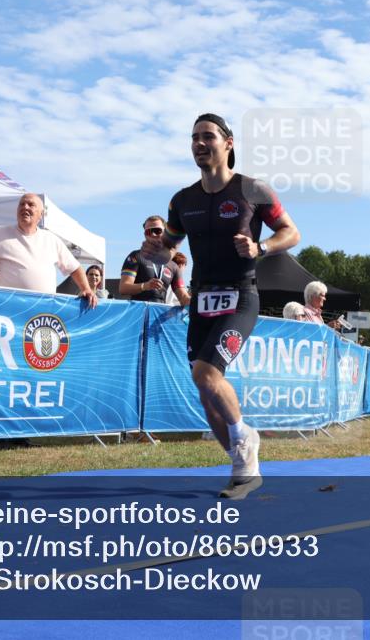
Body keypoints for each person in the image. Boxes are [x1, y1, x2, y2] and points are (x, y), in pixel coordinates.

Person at [143, 112, 300, 499]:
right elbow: (172, 245)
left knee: (209, 374)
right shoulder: (182, 200)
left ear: (228, 143)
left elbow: (291, 232)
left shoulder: (253, 189)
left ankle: (247, 445)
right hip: (202, 296)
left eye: (208, 136)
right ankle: (241, 461)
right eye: (194, 137)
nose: (199, 143)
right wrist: (158, 250)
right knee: (202, 385)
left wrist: (261, 247)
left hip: (241, 293)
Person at [0, 192, 97, 449]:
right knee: (7, 377)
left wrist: (86, 289)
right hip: (9, 320)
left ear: (41, 214)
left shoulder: (51, 240)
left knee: (31, 378)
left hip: (41, 321)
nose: (25, 208)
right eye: (22, 204)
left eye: (31, 205)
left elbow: (74, 268)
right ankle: (3, 436)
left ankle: (23, 432)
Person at [120, 215, 189, 306]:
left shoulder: (173, 266)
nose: (152, 234)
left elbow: (183, 296)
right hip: (138, 315)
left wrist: (195, 301)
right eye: (148, 232)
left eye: (157, 231)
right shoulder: (136, 256)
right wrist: (145, 286)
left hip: (159, 316)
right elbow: (123, 288)